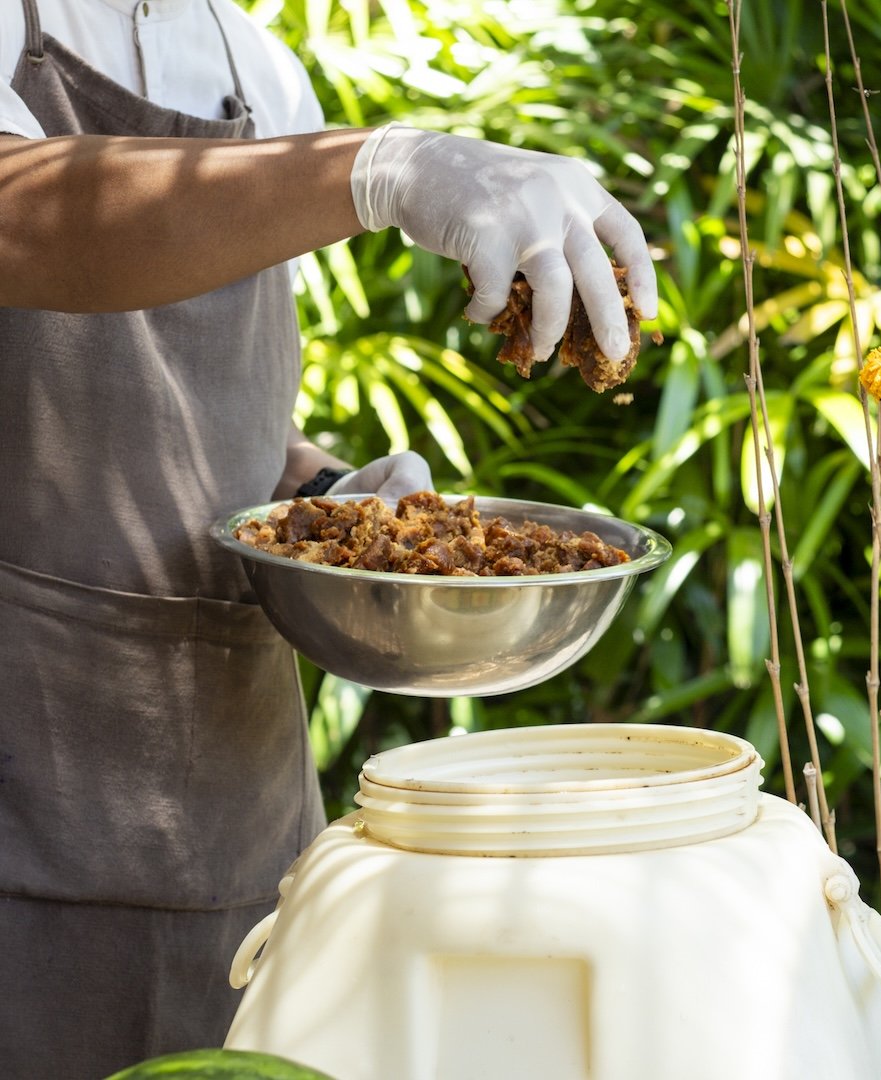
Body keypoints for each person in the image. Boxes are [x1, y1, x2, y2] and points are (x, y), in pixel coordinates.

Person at [0, 0, 657, 1076]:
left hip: (237, 807)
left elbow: (204, 407)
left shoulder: (254, 69)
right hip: (29, 787)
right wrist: (384, 168)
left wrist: (340, 500)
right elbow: (27, 223)